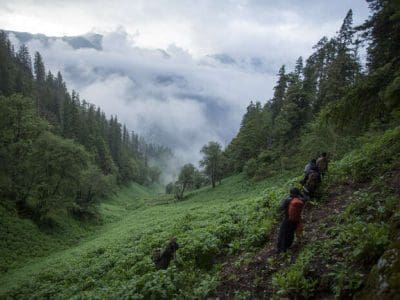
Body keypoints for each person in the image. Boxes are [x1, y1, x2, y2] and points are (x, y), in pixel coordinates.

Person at [277, 187, 306, 253]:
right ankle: (288, 246)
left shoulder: (287, 199)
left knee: (283, 234)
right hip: (296, 220)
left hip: (287, 220)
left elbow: (281, 207)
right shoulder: (300, 200)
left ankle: (282, 249)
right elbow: (306, 198)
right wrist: (301, 194)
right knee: (291, 234)